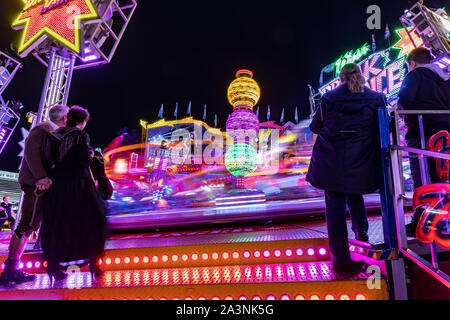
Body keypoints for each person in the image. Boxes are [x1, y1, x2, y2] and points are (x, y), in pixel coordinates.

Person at [306, 63, 385, 273]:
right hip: (360, 160)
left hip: (331, 161)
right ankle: (362, 233)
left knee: (335, 208)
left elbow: (315, 127)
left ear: (340, 78)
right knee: (354, 190)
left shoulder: (328, 99)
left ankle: (340, 260)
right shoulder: (377, 98)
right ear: (361, 76)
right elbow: (382, 129)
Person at [0, 105, 69, 285]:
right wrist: (41, 176)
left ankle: (15, 268)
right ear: (63, 118)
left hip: (40, 184)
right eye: (68, 116)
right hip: (35, 184)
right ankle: (10, 269)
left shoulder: (51, 132)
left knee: (32, 226)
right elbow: (31, 154)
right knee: (26, 225)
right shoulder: (43, 129)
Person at [41, 106, 106, 283]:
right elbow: (84, 161)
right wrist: (91, 155)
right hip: (79, 184)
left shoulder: (52, 136)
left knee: (58, 224)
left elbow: (46, 161)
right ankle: (94, 264)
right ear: (82, 122)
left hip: (57, 185)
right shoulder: (80, 135)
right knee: (93, 219)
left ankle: (54, 267)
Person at [397, 47, 450, 236]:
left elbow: (404, 100)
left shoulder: (414, 76)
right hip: (444, 134)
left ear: (412, 63)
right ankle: (442, 217)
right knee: (442, 175)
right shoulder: (444, 78)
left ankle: (422, 219)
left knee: (422, 175)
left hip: (421, 133)